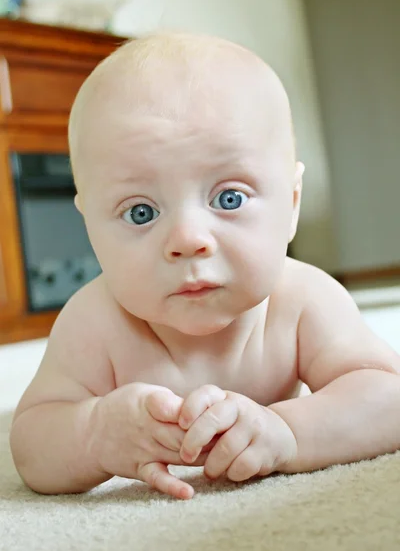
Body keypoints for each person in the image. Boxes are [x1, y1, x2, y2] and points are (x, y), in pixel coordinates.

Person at [10, 32, 400, 501]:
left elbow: (388, 398)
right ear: (89, 225)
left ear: (291, 205)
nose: (188, 240)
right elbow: (32, 444)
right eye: (141, 212)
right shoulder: (94, 321)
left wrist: (287, 431)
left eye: (229, 198)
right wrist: (93, 433)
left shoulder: (302, 299)